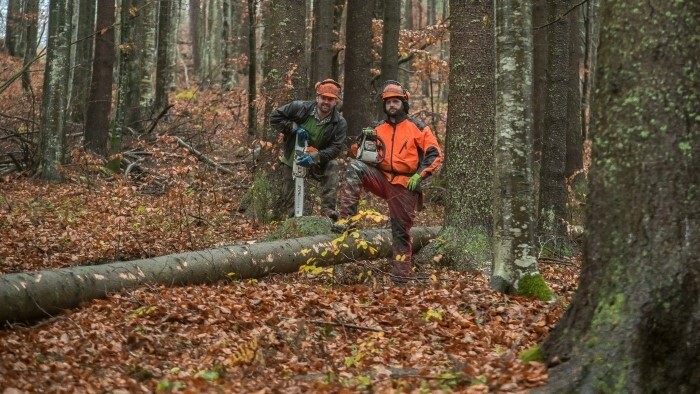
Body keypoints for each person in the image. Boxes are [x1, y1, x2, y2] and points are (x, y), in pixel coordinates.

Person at [334, 80, 443, 285]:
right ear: (384, 105)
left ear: (403, 103)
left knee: (400, 233)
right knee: (355, 168)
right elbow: (358, 153)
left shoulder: (417, 128)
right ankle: (347, 219)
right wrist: (362, 141)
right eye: (388, 102)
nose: (392, 105)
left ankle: (400, 280)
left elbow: (434, 153)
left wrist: (419, 175)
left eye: (396, 101)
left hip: (405, 183)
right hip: (381, 177)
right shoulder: (378, 128)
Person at [269, 79, 347, 219]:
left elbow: (335, 149)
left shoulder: (339, 122)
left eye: (330, 99)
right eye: (323, 98)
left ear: (336, 102)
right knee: (291, 200)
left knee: (333, 165)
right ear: (317, 97)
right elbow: (274, 117)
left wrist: (315, 157)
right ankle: (294, 222)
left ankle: (328, 212)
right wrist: (294, 127)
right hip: (292, 157)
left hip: (316, 159)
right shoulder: (299, 108)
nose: (326, 102)